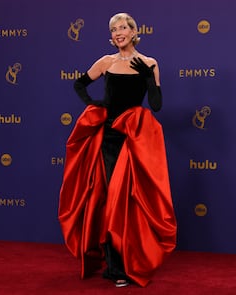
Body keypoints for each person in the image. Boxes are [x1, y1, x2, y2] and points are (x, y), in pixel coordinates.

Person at [58, 12, 177, 288]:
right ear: (111, 36)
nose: (119, 32)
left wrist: (148, 78)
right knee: (111, 199)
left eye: (123, 27)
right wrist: (94, 104)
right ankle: (114, 268)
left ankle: (130, 261)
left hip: (134, 139)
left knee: (131, 201)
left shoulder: (149, 63)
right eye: (114, 29)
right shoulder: (106, 62)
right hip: (109, 139)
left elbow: (156, 105)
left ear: (135, 31)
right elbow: (79, 83)